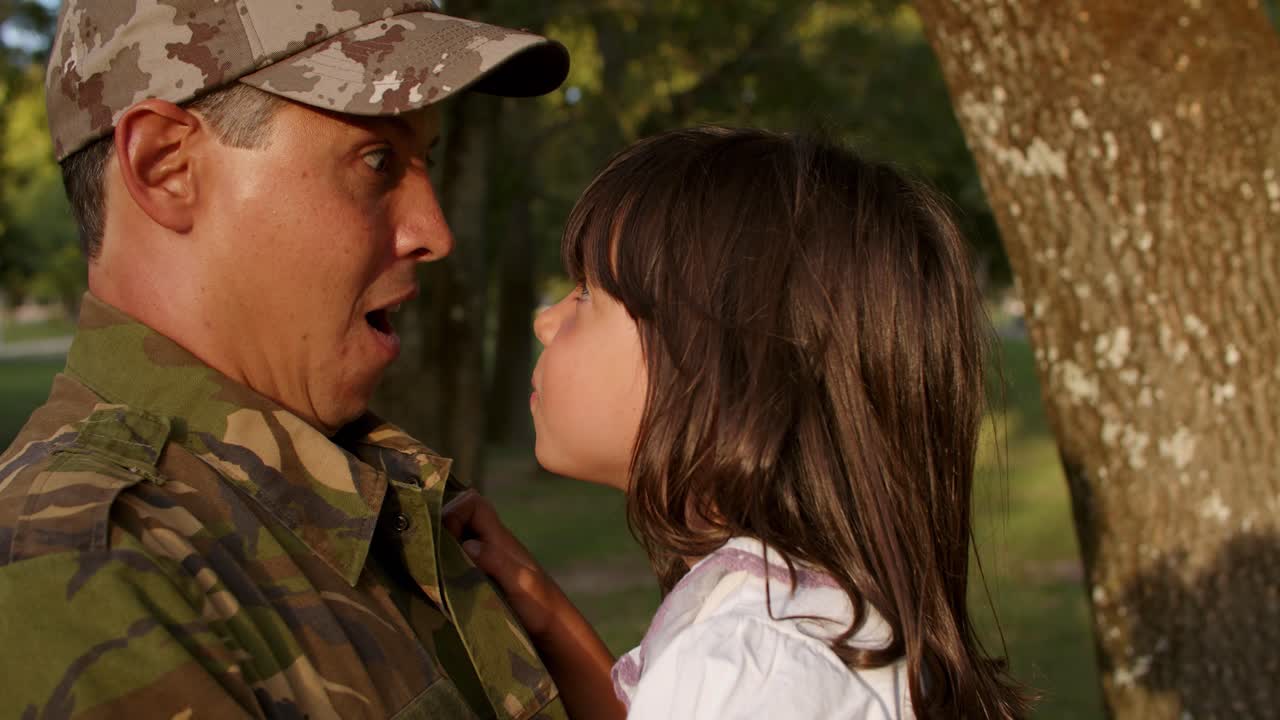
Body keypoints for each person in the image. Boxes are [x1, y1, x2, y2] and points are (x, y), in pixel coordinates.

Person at [0, 1, 572, 717]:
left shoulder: (364, 488)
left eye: (427, 158)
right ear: (166, 165)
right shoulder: (83, 571)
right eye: (377, 160)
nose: (434, 231)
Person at [445, 127, 1035, 718]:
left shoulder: (752, 665)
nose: (545, 322)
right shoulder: (804, 623)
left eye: (584, 293)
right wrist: (550, 619)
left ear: (721, 368)